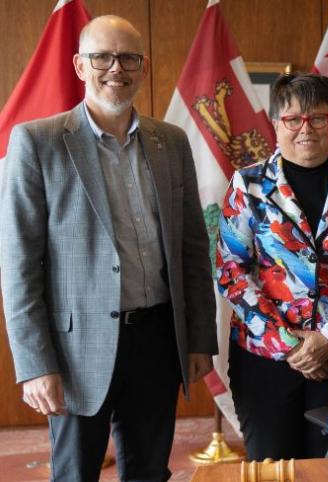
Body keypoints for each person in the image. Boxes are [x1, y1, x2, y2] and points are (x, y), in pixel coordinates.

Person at [0, 15, 217, 480]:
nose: (115, 68)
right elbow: (18, 264)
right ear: (80, 65)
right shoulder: (37, 143)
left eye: (127, 58)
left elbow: (193, 250)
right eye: (102, 56)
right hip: (77, 350)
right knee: (76, 473)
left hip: (157, 339)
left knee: (149, 472)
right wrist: (35, 364)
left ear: (143, 66)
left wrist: (199, 338)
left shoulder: (171, 142)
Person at [216, 72, 328, 461]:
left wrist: (327, 339)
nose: (306, 129)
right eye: (293, 119)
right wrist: (291, 346)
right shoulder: (248, 185)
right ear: (276, 124)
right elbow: (232, 272)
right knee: (272, 468)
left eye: (318, 118)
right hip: (264, 359)